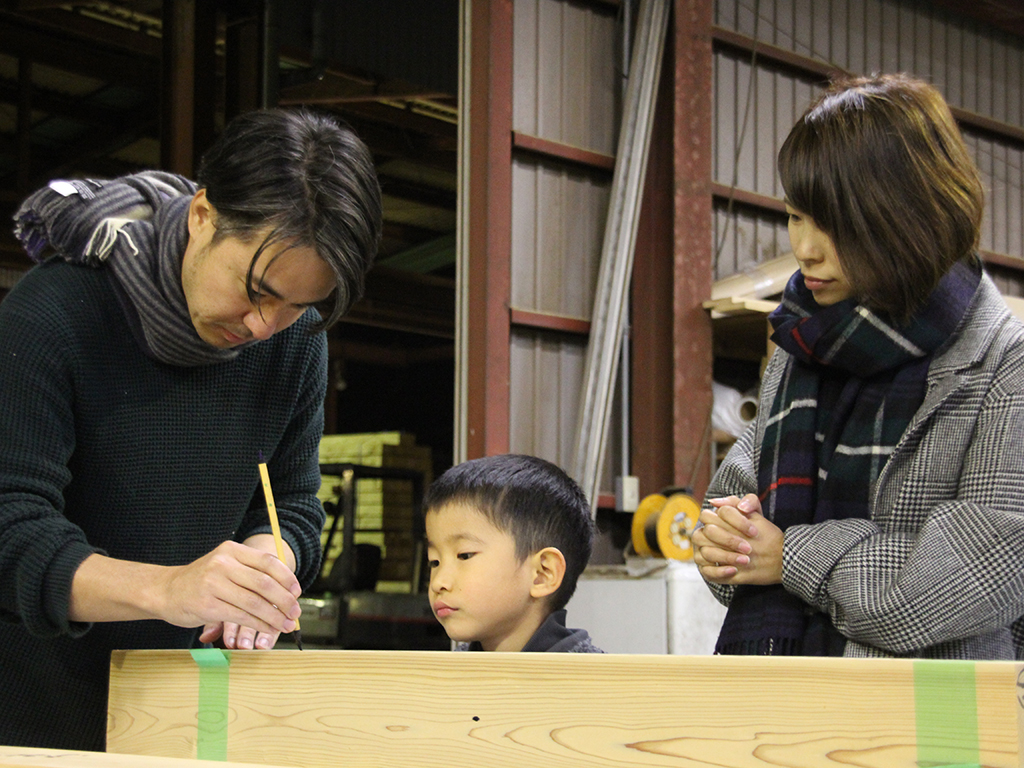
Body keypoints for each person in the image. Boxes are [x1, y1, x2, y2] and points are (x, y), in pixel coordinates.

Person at [0, 108, 382, 749]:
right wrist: (169, 588)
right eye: (257, 290)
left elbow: (291, 505)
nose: (265, 327)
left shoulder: (294, 346)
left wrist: (270, 560)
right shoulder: (54, 315)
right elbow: (10, 531)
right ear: (203, 214)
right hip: (34, 722)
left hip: (190, 717)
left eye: (299, 304)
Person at [692, 73, 1024, 660]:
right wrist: (722, 543)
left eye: (836, 225)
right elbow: (737, 510)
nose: (806, 248)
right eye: (797, 216)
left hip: (939, 719)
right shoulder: (802, 343)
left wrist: (791, 557)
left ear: (913, 218)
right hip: (780, 707)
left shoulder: (1004, 357)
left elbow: (985, 570)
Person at [424, 454, 603, 653]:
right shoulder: (446, 676)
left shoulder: (593, 680)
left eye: (464, 555)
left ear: (543, 573)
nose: (438, 583)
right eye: (435, 562)